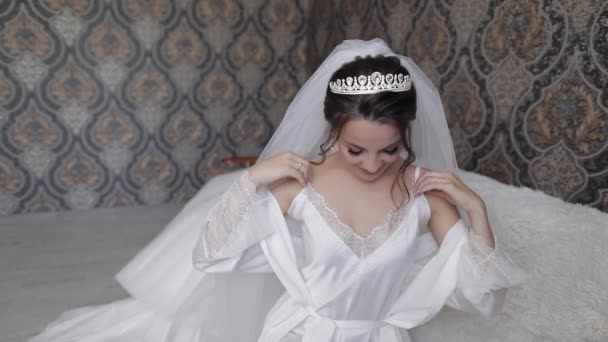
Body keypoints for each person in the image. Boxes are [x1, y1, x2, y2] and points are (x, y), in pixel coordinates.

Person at [30, 39, 524, 342]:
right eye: (355, 151)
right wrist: (250, 181)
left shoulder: (424, 192)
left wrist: (475, 210)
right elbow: (214, 255)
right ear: (333, 130)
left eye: (389, 150)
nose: (373, 165)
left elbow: (478, 295)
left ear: (407, 132)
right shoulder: (301, 182)